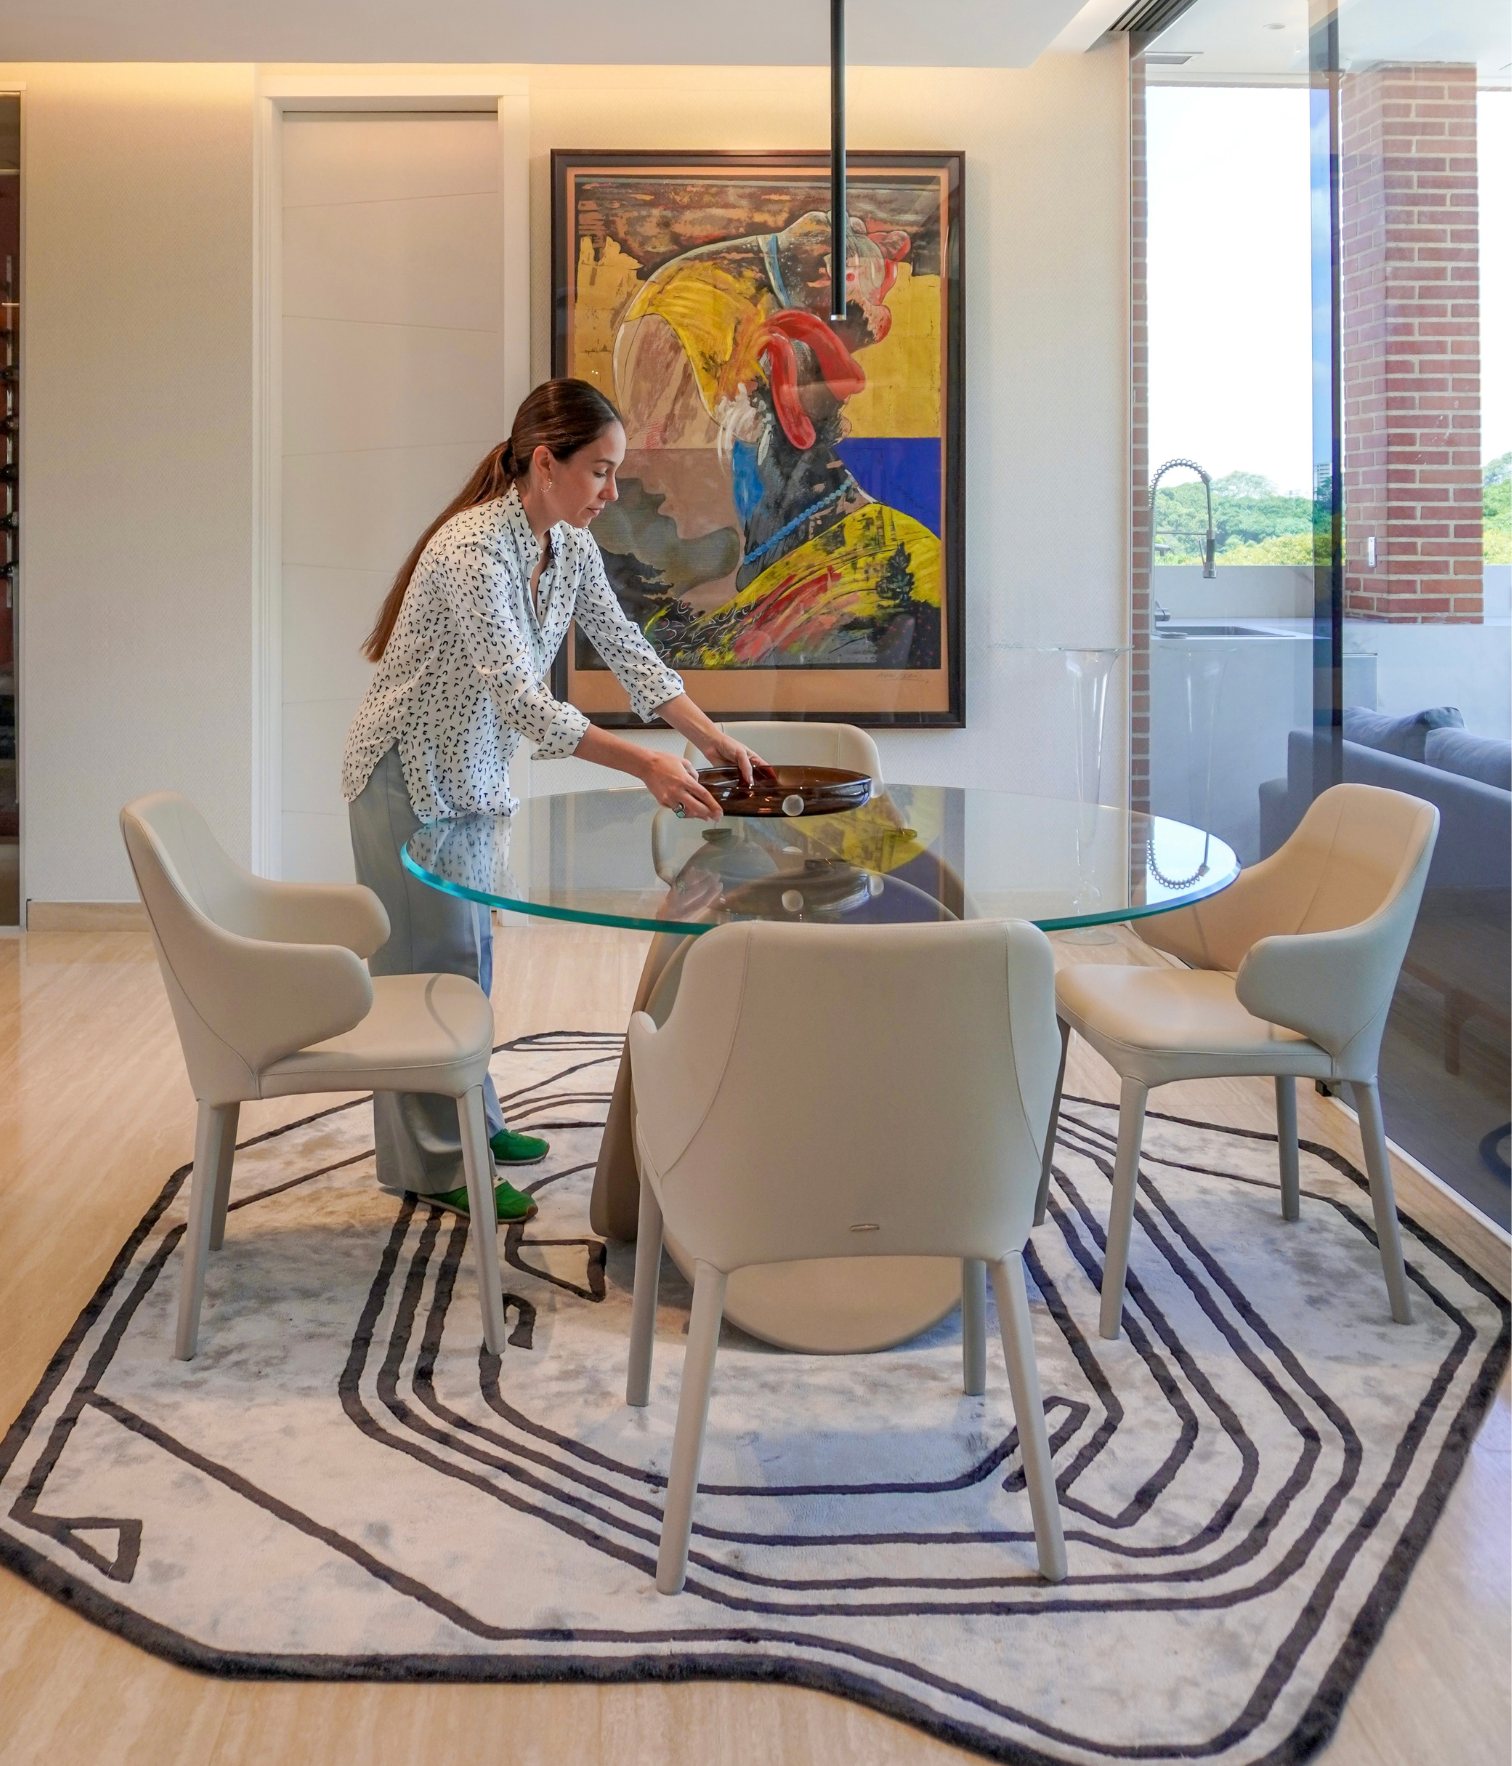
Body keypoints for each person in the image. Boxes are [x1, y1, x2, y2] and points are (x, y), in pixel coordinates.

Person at [341, 378, 761, 1225]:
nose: (612, 493)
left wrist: (707, 735)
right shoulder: (473, 551)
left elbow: (627, 649)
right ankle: (430, 1163)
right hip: (407, 777)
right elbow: (520, 698)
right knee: (428, 976)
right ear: (545, 462)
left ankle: (473, 1119)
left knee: (468, 962)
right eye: (600, 472)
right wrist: (643, 765)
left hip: (473, 775)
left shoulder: (563, 545)